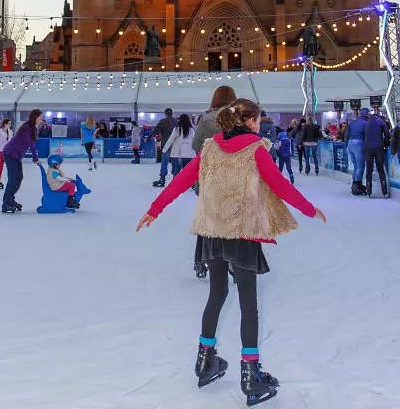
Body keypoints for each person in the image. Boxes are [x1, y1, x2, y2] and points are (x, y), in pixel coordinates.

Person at [137, 98, 326, 406]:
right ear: (249, 121)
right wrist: (309, 209)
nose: (260, 123)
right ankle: (251, 376)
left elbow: (184, 180)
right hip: (241, 231)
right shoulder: (255, 148)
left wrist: (154, 210)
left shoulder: (210, 148)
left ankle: (204, 360)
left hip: (212, 232)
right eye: (258, 119)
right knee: (248, 303)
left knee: (217, 294)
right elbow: (279, 184)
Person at [191, 85, 238, 279]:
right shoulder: (239, 118)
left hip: (209, 177)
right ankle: (233, 263)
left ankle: (201, 261)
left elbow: (195, 146)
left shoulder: (206, 118)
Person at [1, 109, 43, 214]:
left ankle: (10, 199)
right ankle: (6, 204)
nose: (41, 120)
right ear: (35, 117)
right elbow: (31, 144)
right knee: (13, 179)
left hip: (17, 155)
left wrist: (35, 157)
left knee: (19, 177)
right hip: (10, 153)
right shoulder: (27, 128)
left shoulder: (33, 128)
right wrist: (35, 158)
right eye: (40, 117)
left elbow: (31, 143)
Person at [156, 114, 195, 187]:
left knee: (176, 171)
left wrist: (164, 150)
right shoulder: (191, 130)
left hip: (177, 154)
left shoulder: (177, 129)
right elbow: (194, 141)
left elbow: (170, 140)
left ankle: (175, 184)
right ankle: (191, 184)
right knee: (188, 171)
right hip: (189, 154)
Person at [363, 111, 389, 197]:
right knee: (380, 168)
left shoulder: (366, 124)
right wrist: (385, 143)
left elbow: (364, 136)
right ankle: (384, 190)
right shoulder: (381, 122)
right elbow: (387, 134)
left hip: (368, 148)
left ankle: (369, 190)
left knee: (369, 169)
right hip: (378, 148)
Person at [346, 108, 369, 196]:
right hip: (359, 143)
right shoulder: (366, 123)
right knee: (360, 166)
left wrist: (346, 145)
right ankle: (357, 186)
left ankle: (355, 185)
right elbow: (366, 136)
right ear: (367, 115)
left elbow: (347, 135)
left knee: (356, 166)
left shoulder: (352, 122)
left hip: (350, 144)